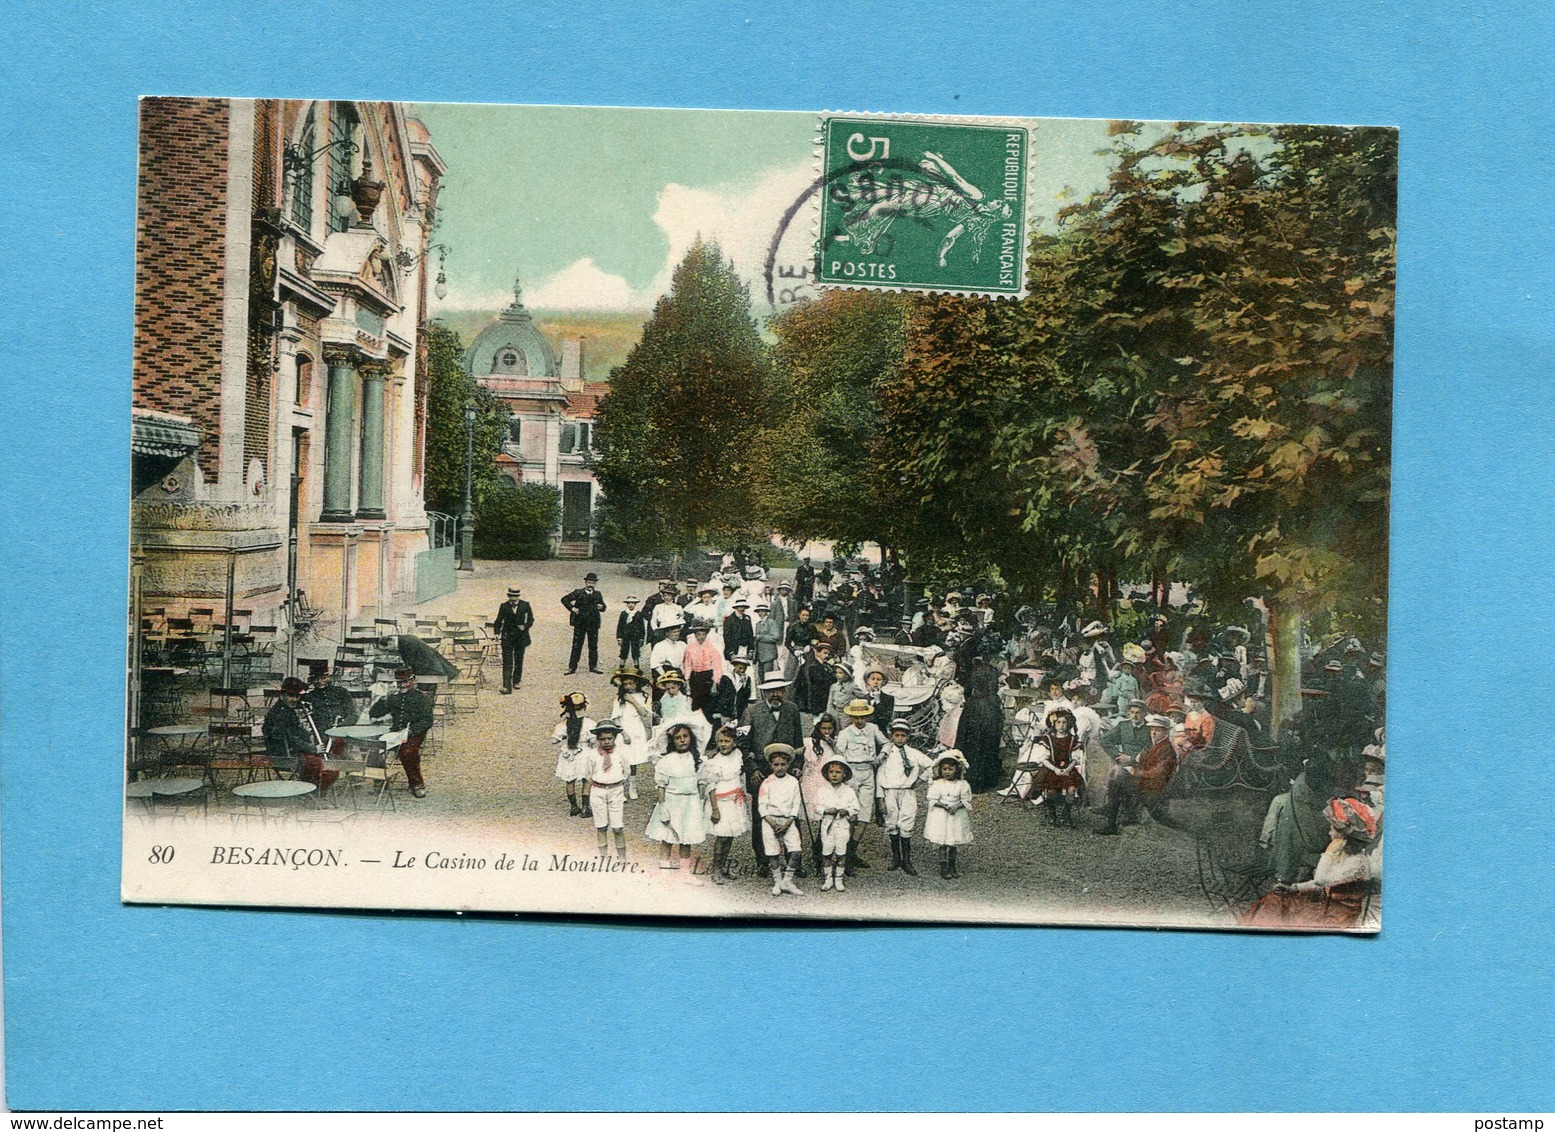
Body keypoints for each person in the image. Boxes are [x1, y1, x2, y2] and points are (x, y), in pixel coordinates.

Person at [1241, 797, 1379, 929]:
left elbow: (1320, 880)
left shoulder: (1357, 862)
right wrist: (1294, 888)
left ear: (1343, 836)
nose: (1329, 832)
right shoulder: (1345, 855)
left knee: (1276, 908)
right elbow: (1323, 884)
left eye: (1332, 829)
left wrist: (1329, 853)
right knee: (1274, 900)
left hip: (1337, 917)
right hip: (1327, 906)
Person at [740, 677, 804, 876]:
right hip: (761, 770)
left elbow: (799, 741)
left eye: (780, 690)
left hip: (786, 768)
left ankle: (794, 861)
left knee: (791, 813)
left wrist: (798, 766)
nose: (776, 694)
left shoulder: (792, 709)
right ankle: (763, 860)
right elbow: (742, 745)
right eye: (771, 690)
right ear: (763, 692)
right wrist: (752, 770)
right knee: (762, 816)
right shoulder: (751, 711)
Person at [1095, 713, 1181, 834]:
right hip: (1148, 782)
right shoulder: (1156, 745)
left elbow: (1156, 773)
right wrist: (1128, 766)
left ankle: (1112, 823)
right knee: (1117, 777)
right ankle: (1120, 813)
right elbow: (1141, 759)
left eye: (1158, 730)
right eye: (1152, 730)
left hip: (1154, 786)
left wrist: (1134, 771)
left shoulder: (1166, 749)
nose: (1154, 733)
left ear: (1166, 732)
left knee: (1116, 785)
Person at [644, 722, 708, 885]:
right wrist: (663, 807)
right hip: (672, 802)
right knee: (668, 838)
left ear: (691, 738)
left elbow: (701, 783)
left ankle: (685, 873)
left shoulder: (697, 760)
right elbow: (661, 785)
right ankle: (665, 874)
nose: (682, 740)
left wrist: (700, 803)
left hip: (690, 803)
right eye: (678, 738)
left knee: (686, 839)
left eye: (685, 736)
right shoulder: (667, 761)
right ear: (672, 741)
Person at [876, 718, 933, 875]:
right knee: (892, 822)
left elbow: (932, 765)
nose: (900, 738)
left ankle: (907, 860)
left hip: (907, 791)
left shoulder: (914, 754)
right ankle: (896, 857)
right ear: (891, 736)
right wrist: (880, 798)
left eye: (903, 735)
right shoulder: (886, 754)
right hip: (889, 792)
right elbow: (879, 777)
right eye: (897, 735)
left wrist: (920, 780)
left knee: (907, 821)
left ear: (908, 737)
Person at [368, 666, 434, 798]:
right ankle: (380, 781)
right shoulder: (393, 698)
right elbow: (374, 713)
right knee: (373, 748)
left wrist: (411, 731)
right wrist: (383, 698)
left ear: (413, 681)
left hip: (414, 733)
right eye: (399, 682)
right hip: (395, 733)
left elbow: (427, 721)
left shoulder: (422, 698)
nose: (402, 685)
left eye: (405, 681)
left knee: (408, 751)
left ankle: (416, 784)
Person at [836, 699, 886, 874]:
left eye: (863, 717)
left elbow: (887, 743)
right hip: (852, 773)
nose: (860, 721)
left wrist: (881, 756)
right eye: (856, 717)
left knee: (864, 816)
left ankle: (851, 853)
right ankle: (844, 857)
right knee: (851, 815)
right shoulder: (845, 733)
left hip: (868, 773)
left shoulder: (872, 729)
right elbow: (840, 754)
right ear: (850, 716)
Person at [699, 724, 751, 884]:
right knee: (721, 837)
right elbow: (711, 786)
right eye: (720, 741)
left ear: (734, 742)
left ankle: (722, 866)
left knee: (730, 837)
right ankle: (715, 869)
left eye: (727, 741)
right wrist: (715, 809)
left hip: (734, 802)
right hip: (721, 803)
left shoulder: (737, 755)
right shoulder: (714, 761)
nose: (723, 744)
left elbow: (739, 773)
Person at [264, 676, 330, 789]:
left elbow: (296, 731)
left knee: (323, 764)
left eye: (297, 696)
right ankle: (311, 792)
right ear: (281, 695)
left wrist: (309, 735)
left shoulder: (286, 710)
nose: (294, 699)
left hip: (290, 751)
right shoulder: (280, 714)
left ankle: (313, 791)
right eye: (290, 695)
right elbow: (291, 739)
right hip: (284, 756)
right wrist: (313, 748)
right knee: (321, 766)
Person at [579, 720, 632, 860]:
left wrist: (616, 782)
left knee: (617, 827)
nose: (606, 742)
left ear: (615, 738)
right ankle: (603, 857)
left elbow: (626, 771)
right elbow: (588, 774)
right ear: (597, 739)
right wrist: (599, 785)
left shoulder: (621, 753)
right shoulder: (592, 755)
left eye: (610, 738)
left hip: (616, 790)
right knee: (601, 826)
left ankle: (622, 859)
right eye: (602, 739)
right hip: (598, 792)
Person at [757, 744, 805, 896]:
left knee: (796, 851)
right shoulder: (767, 782)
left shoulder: (793, 782)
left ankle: (787, 881)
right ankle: (778, 882)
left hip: (787, 821)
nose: (779, 768)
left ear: (788, 764)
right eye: (776, 764)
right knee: (773, 853)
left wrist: (788, 822)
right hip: (770, 821)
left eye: (783, 764)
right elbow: (762, 805)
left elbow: (796, 804)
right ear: (770, 765)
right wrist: (771, 822)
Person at [812, 754, 862, 893]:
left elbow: (855, 808)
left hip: (842, 825)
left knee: (841, 852)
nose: (834, 775)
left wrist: (847, 811)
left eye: (838, 772)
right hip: (828, 825)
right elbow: (816, 806)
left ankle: (838, 879)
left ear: (844, 774)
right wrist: (826, 810)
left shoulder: (849, 791)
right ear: (827, 774)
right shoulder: (822, 790)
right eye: (831, 772)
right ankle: (828, 878)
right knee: (827, 851)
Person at [954, 658, 1005, 793]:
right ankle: (989, 780)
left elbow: (967, 690)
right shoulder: (993, 673)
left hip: (975, 707)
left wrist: (970, 701)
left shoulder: (976, 673)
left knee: (972, 743)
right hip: (990, 709)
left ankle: (973, 781)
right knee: (989, 743)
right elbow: (994, 691)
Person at [1030, 706, 1086, 827]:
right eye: (1058, 722)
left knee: (1071, 790)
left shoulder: (1072, 740)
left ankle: (1066, 813)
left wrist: (1067, 769)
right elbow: (1044, 759)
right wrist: (1055, 769)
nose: (1061, 725)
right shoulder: (1048, 739)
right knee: (1051, 791)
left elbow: (1075, 759)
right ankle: (1052, 813)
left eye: (1064, 722)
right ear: (1053, 723)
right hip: (1051, 768)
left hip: (1067, 769)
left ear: (1069, 724)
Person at [924, 750, 973, 880]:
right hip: (942, 814)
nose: (947, 772)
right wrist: (944, 806)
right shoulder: (937, 784)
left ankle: (952, 866)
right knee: (943, 843)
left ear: (957, 769)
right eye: (944, 769)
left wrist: (957, 806)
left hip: (955, 815)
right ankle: (943, 867)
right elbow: (933, 799)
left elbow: (966, 800)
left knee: (952, 842)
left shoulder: (962, 784)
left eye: (950, 769)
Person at [609, 665, 653, 798]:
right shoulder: (619, 699)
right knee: (622, 760)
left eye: (631, 683)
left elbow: (645, 714)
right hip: (623, 729)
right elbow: (616, 718)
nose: (629, 686)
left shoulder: (644, 696)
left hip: (636, 729)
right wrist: (623, 733)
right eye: (626, 684)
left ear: (637, 683)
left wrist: (633, 701)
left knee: (634, 760)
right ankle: (620, 789)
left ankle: (632, 787)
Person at [551, 691, 596, 817]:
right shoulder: (589, 723)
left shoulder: (564, 724)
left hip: (569, 753)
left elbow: (554, 740)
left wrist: (565, 736)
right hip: (585, 752)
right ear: (584, 707)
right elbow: (593, 740)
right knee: (586, 779)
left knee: (569, 780)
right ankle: (586, 807)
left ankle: (574, 806)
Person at [303, 661, 358, 757]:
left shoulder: (341, 692)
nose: (320, 682)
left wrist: (340, 727)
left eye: (323, 678)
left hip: (341, 733)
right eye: (316, 679)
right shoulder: (310, 696)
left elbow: (353, 715)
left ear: (329, 677)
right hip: (321, 735)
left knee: (342, 757)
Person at [560, 572, 607, 675]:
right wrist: (572, 608)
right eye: (589, 582)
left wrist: (601, 607)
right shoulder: (578, 592)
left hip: (593, 624)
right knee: (577, 645)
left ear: (595, 584)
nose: (591, 585)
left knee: (593, 645)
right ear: (585, 582)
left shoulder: (597, 594)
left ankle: (593, 666)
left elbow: (603, 607)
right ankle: (572, 668)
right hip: (580, 623)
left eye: (593, 583)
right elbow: (564, 599)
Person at [682, 619, 724, 720]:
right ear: (695, 635)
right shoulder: (690, 647)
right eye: (699, 634)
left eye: (703, 634)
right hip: (695, 677)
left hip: (708, 677)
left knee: (708, 705)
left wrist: (715, 683)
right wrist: (687, 681)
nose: (701, 637)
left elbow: (717, 666)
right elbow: (687, 665)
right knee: (696, 705)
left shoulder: (712, 647)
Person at [792, 640, 837, 729]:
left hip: (824, 697)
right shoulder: (813, 666)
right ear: (817, 652)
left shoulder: (824, 665)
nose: (827, 656)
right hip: (818, 699)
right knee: (818, 721)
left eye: (828, 653)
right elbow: (822, 681)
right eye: (824, 653)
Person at [710, 646, 756, 728]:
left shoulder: (747, 679)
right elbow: (721, 694)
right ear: (734, 666)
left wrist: (744, 685)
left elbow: (747, 695)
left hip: (740, 711)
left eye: (744, 669)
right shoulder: (726, 678)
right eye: (740, 668)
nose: (742, 671)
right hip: (727, 711)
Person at [859, 665, 897, 733]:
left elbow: (885, 720)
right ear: (868, 681)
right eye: (873, 679)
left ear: (883, 682)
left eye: (879, 679)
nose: (876, 682)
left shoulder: (889, 699)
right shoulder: (862, 699)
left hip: (881, 733)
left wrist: (878, 701)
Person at [614, 595, 647, 667]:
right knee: (623, 651)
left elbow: (642, 627)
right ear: (627, 604)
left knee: (635, 652)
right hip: (625, 636)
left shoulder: (638, 614)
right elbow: (620, 626)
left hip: (635, 636)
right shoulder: (624, 613)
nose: (631, 605)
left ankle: (637, 668)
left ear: (635, 604)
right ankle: (621, 667)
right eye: (629, 603)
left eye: (632, 603)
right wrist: (619, 637)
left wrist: (641, 638)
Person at [754, 602, 782, 678]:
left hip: (769, 654)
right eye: (759, 611)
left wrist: (761, 637)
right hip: (760, 655)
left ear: (766, 612)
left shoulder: (771, 623)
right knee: (761, 676)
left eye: (762, 611)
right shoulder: (758, 624)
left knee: (768, 676)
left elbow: (776, 637)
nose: (760, 613)